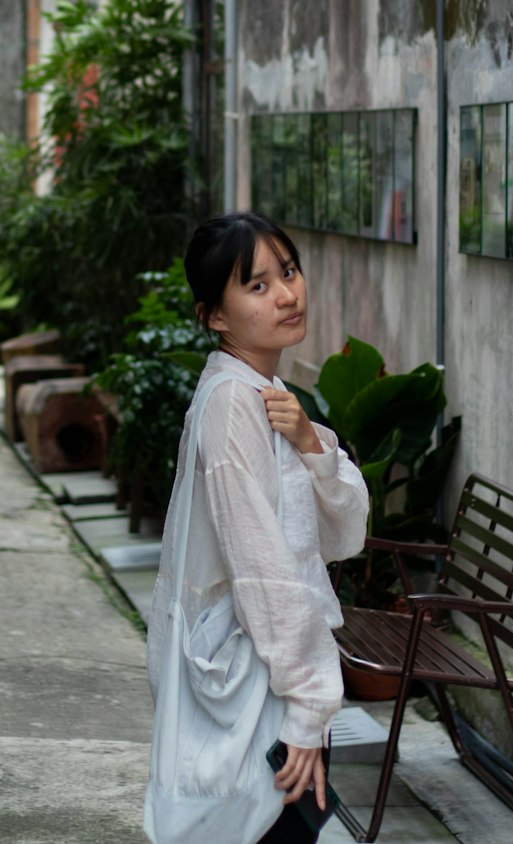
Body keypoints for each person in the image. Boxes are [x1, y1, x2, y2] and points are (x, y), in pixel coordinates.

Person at [147, 211, 369, 842]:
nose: (287, 294)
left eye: (289, 272)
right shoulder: (231, 406)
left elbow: (345, 530)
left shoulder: (261, 394)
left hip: (270, 678)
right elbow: (263, 568)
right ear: (215, 316)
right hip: (263, 691)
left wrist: (309, 441)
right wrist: (307, 703)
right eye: (257, 285)